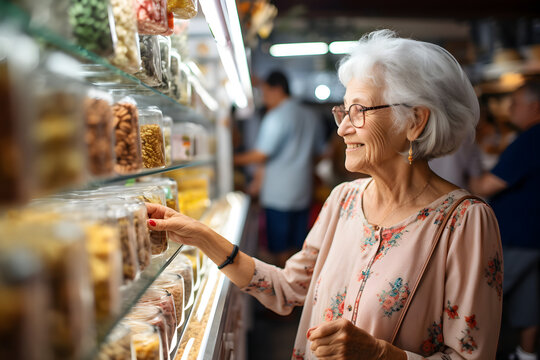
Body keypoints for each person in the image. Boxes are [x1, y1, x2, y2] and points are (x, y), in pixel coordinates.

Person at [146, 30, 502, 359]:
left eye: (359, 111)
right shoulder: (343, 201)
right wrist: (201, 236)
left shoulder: (464, 222)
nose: (343, 128)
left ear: (415, 121)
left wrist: (379, 355)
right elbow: (286, 290)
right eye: (343, 111)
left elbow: (468, 356)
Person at [470, 79, 540, 360]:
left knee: (480, 297)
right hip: (531, 236)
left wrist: (457, 182)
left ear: (535, 107)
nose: (510, 109)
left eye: (516, 104)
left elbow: (487, 186)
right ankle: (527, 354)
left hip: (519, 237)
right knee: (528, 299)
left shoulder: (531, 138)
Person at [233, 70, 326, 266]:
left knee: (281, 250)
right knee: (298, 248)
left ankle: (287, 293)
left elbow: (261, 154)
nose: (264, 98)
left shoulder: (276, 116)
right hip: (303, 192)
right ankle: (300, 291)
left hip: (278, 196)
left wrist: (231, 160)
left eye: (265, 92)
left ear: (277, 89)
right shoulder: (310, 115)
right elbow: (320, 152)